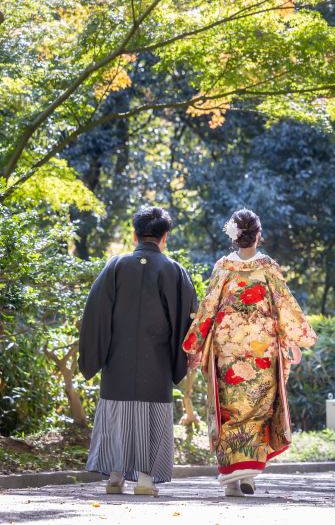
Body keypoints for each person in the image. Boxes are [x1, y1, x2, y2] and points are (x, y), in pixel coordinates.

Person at [182, 208, 316, 497]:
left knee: (229, 411)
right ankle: (249, 477)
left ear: (235, 236)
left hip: (227, 353)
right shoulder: (268, 266)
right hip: (261, 352)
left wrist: (194, 346)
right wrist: (293, 340)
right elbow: (284, 305)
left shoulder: (223, 266)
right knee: (257, 410)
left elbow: (208, 308)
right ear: (258, 235)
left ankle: (231, 480)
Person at [79, 206, 198, 496]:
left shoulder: (116, 265)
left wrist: (98, 351)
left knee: (116, 415)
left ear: (134, 234)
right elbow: (190, 319)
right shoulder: (174, 270)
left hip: (117, 359)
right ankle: (145, 480)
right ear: (164, 237)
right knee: (152, 419)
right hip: (156, 362)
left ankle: (115, 477)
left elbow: (95, 313)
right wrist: (186, 356)